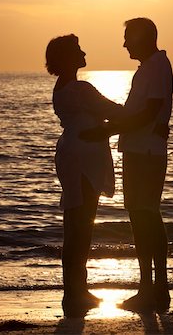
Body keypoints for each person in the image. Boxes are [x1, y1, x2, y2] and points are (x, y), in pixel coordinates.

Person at [81, 17, 173, 312]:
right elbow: (140, 113)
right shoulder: (149, 68)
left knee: (144, 217)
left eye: (127, 38)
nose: (123, 44)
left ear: (142, 38)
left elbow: (149, 113)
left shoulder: (157, 67)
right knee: (144, 216)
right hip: (141, 150)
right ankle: (153, 287)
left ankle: (153, 288)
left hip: (145, 152)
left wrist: (106, 130)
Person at [45, 34, 123, 316]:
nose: (83, 51)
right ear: (68, 57)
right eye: (78, 49)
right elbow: (114, 111)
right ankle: (74, 293)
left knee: (76, 225)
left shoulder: (64, 87)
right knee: (80, 225)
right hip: (82, 157)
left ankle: (77, 290)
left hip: (73, 154)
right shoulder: (80, 89)